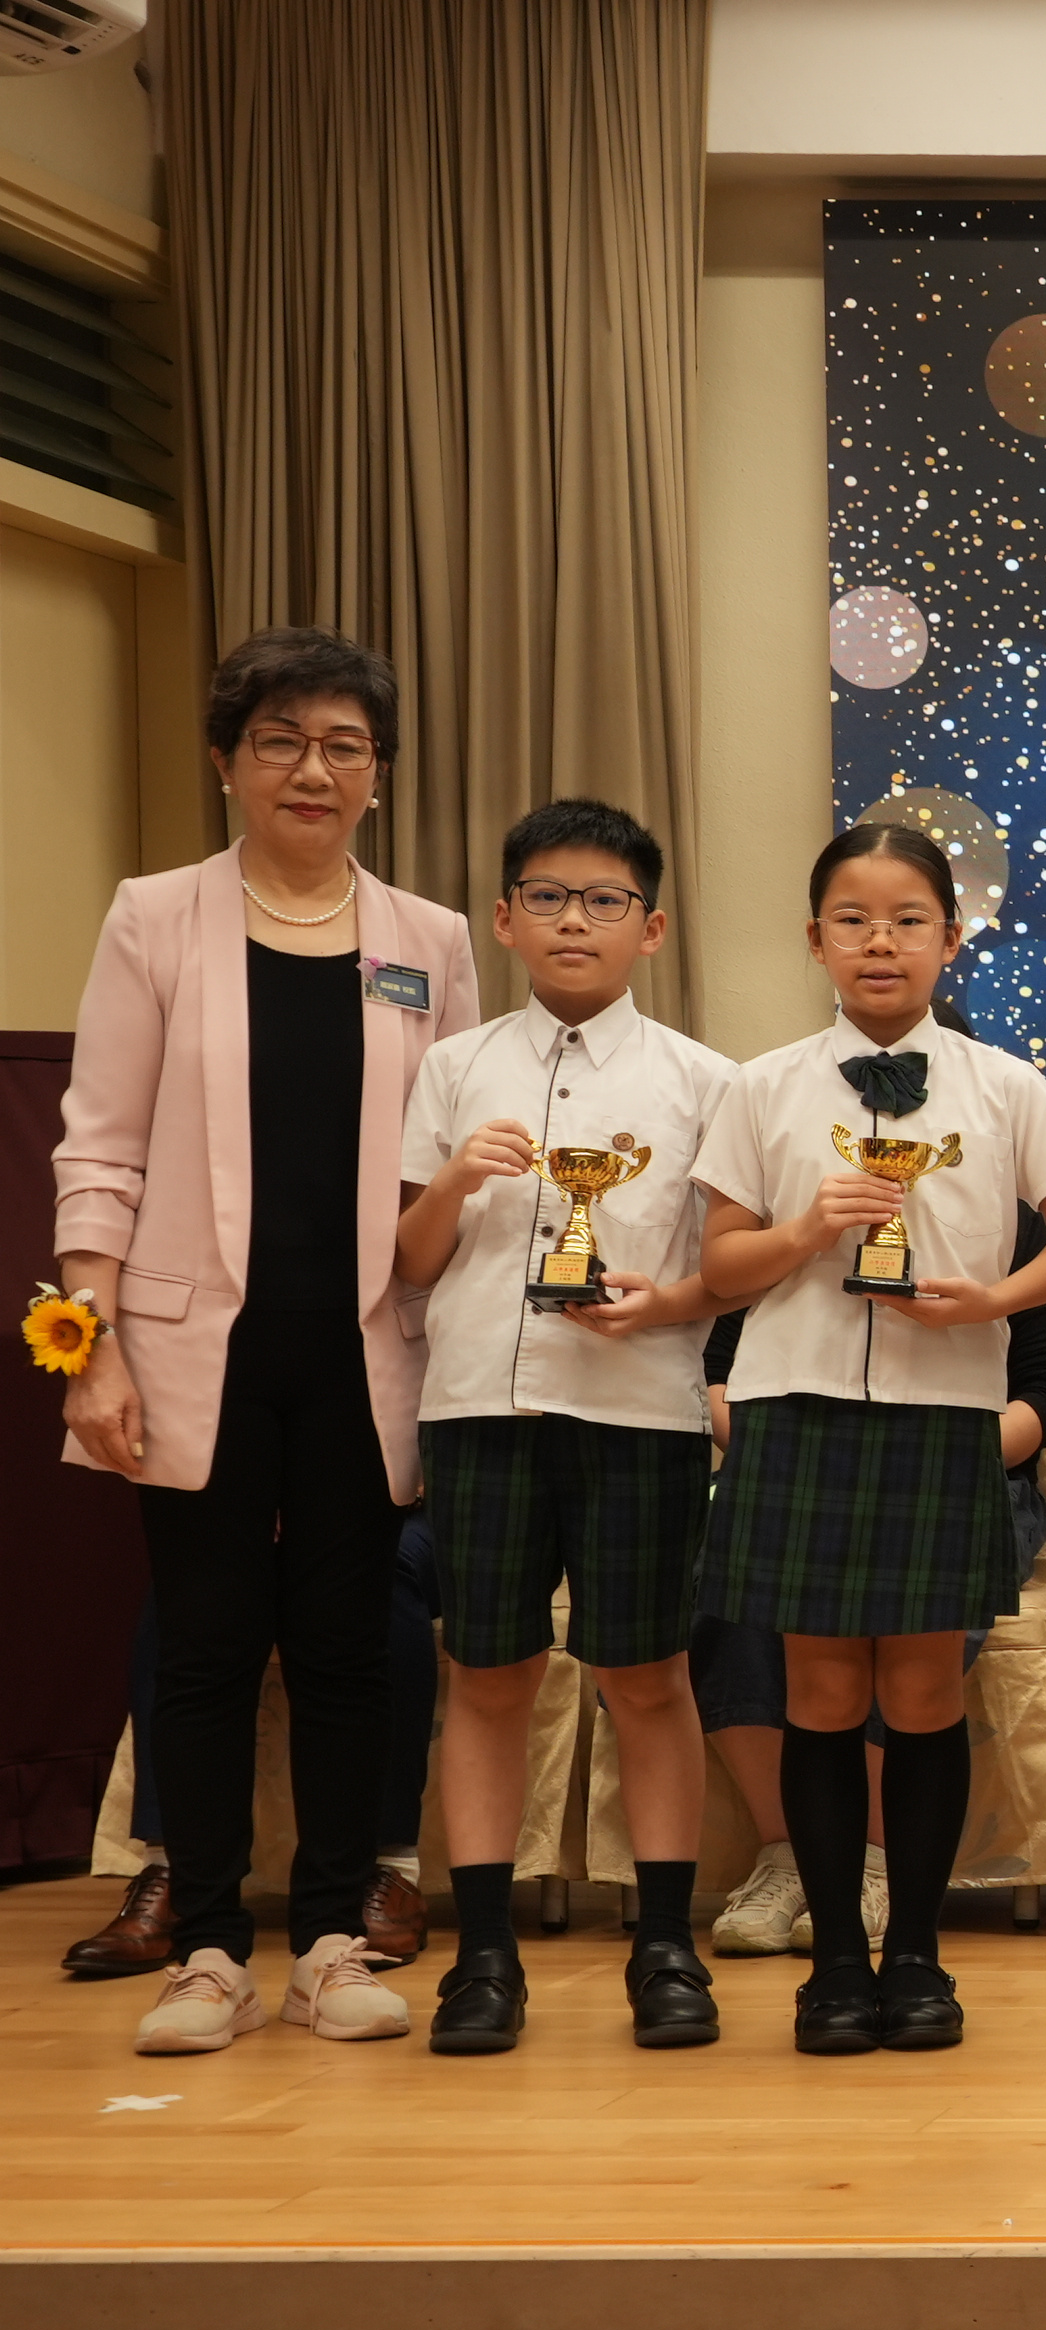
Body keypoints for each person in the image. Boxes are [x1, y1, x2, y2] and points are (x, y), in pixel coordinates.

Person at [62, 628, 479, 2056]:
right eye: (283, 741)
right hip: (195, 1341)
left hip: (368, 1343)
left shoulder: (428, 941)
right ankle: (207, 1953)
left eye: (345, 745)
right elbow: (100, 1146)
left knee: (352, 1645)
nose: (315, 769)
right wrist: (92, 1345)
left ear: (378, 773)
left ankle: (331, 1944)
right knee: (206, 1645)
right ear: (229, 762)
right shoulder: (155, 916)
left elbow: (444, 1165)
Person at [693, 822, 1046, 2057]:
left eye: (908, 920)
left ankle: (915, 1953)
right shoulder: (761, 1086)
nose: (881, 942)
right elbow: (719, 1268)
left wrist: (993, 1301)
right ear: (815, 940)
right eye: (853, 920)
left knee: (920, 1693)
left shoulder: (1004, 1085)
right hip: (797, 1407)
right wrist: (806, 1232)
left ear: (949, 939)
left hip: (942, 1413)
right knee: (817, 1691)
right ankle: (834, 1970)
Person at [389, 799, 740, 2052]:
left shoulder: (705, 1081)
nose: (573, 921)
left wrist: (665, 1306)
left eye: (603, 901)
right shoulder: (454, 1066)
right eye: (546, 897)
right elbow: (410, 1263)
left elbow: (727, 1270)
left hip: (638, 1409)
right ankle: (484, 1958)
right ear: (504, 919)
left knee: (647, 1678)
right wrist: (453, 1180)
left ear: (652, 928)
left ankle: (665, 1946)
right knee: (486, 1678)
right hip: (480, 1406)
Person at [694, 1096, 1046, 1961]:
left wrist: (960, 1450)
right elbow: (715, 1367)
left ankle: (879, 1870)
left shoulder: (1021, 1212)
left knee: (916, 1657)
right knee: (732, 1613)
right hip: (794, 1451)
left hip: (967, 1458)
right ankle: (787, 1855)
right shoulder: (786, 1186)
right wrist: (771, 1455)